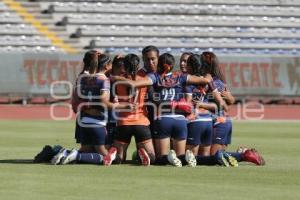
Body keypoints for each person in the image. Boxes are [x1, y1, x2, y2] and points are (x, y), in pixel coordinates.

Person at [112, 53, 213, 167]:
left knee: (159, 158)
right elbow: (204, 81)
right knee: (180, 158)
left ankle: (168, 158)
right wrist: (208, 76)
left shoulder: (154, 77)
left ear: (159, 64)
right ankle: (185, 157)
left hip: (162, 119)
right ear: (173, 65)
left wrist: (116, 77)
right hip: (180, 120)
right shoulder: (180, 76)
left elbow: (133, 83)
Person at [52, 54, 133, 166]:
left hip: (84, 120)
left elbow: (77, 99)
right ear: (106, 66)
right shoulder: (105, 80)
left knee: (86, 149)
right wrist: (124, 106)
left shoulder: (84, 78)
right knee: (108, 158)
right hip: (98, 122)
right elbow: (103, 102)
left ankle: (63, 152)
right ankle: (75, 155)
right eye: (110, 64)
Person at [113, 54, 156, 166]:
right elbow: (151, 97)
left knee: (119, 159)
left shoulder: (117, 80)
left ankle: (115, 154)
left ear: (124, 66)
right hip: (141, 121)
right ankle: (141, 154)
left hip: (123, 121)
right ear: (138, 66)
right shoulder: (144, 79)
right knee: (152, 156)